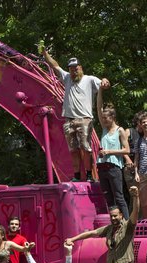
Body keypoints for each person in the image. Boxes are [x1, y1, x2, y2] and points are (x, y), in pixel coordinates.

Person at [43, 50, 109, 182]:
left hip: (84, 119)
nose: (74, 71)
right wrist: (45, 54)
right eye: (71, 69)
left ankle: (90, 175)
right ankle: (77, 175)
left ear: (81, 68)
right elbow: (55, 65)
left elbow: (103, 83)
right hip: (69, 120)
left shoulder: (89, 79)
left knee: (86, 148)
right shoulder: (67, 78)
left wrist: (105, 81)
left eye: (76, 68)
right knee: (73, 150)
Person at [96, 84, 130, 219]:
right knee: (108, 199)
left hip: (114, 168)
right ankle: (114, 223)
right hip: (102, 167)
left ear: (113, 117)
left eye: (106, 118)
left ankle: (128, 223)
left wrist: (109, 152)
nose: (103, 120)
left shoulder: (119, 130)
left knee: (119, 197)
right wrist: (99, 91)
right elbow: (98, 108)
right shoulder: (104, 129)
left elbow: (126, 150)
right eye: (103, 118)